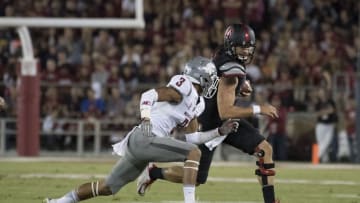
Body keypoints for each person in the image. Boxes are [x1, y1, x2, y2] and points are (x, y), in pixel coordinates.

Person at [43, 56, 239, 203]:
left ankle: (61, 201)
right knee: (194, 154)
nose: (213, 82)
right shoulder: (185, 86)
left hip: (146, 146)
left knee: (107, 187)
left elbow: (193, 138)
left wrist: (219, 132)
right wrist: (145, 117)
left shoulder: (197, 104)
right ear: (200, 75)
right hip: (144, 138)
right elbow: (149, 94)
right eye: (211, 77)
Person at [137, 23, 280, 203]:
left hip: (224, 122)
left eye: (248, 48)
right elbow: (226, 110)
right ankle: (153, 172)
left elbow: (218, 82)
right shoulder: (232, 70)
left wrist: (238, 88)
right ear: (231, 46)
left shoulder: (221, 56)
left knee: (264, 149)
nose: (245, 52)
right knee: (196, 178)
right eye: (241, 47)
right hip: (207, 125)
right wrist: (260, 109)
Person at [315, 88, 338, 163]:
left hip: (329, 124)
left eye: (323, 92)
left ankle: (316, 156)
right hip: (320, 125)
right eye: (320, 93)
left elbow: (333, 110)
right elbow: (317, 114)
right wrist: (327, 111)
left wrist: (323, 112)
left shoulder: (330, 102)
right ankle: (325, 160)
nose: (322, 94)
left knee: (327, 142)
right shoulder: (318, 103)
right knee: (321, 142)